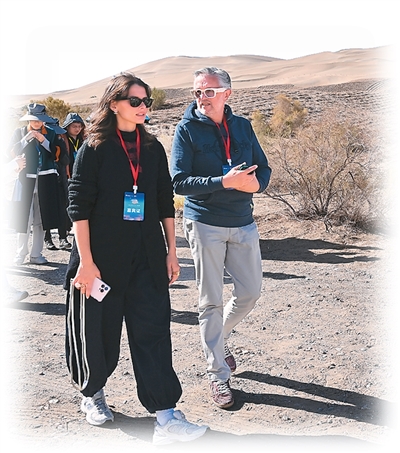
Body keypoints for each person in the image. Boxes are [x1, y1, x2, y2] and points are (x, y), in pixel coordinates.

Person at [64, 72, 208, 445]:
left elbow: (164, 201)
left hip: (147, 255)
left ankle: (166, 416)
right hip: (101, 257)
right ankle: (92, 393)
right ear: (114, 104)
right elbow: (78, 206)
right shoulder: (94, 147)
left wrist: (172, 251)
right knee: (99, 333)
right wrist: (86, 262)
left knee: (153, 331)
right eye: (135, 101)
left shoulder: (153, 147)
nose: (143, 107)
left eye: (147, 101)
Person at [170, 67, 272, 409]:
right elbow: (179, 181)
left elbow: (263, 167)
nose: (203, 98)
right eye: (198, 92)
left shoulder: (242, 126)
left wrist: (256, 184)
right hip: (204, 223)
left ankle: (218, 336)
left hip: (243, 221)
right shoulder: (186, 129)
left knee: (250, 292)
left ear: (227, 94)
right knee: (210, 301)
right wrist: (223, 182)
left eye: (209, 92)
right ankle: (217, 374)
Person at [7, 103, 60, 265]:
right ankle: (20, 253)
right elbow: (11, 152)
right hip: (25, 180)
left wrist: (44, 141)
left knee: (41, 219)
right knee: (24, 217)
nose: (37, 123)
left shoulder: (51, 133)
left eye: (40, 120)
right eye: (33, 119)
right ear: (28, 119)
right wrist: (26, 139)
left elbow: (58, 154)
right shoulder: (20, 132)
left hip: (46, 180)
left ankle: (37, 254)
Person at [43, 117, 72, 251]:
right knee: (46, 209)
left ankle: (63, 238)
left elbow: (66, 160)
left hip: (60, 179)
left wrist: (57, 153)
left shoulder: (60, 141)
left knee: (62, 209)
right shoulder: (40, 142)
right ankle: (47, 238)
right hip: (45, 179)